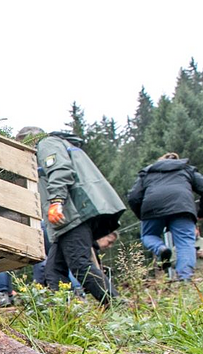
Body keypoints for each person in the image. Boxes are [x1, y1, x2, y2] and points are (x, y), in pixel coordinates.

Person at [20, 126, 127, 305]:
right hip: (65, 220)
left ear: (29, 139)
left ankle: (116, 305)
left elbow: (60, 170)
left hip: (71, 215)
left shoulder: (45, 144)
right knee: (54, 270)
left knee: (80, 265)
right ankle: (65, 313)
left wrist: (56, 201)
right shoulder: (51, 145)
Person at [125, 152, 203, 281]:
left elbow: (133, 197)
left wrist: (143, 216)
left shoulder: (147, 173)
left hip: (152, 206)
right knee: (185, 242)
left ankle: (161, 248)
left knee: (148, 235)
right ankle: (184, 278)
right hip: (182, 207)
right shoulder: (185, 169)